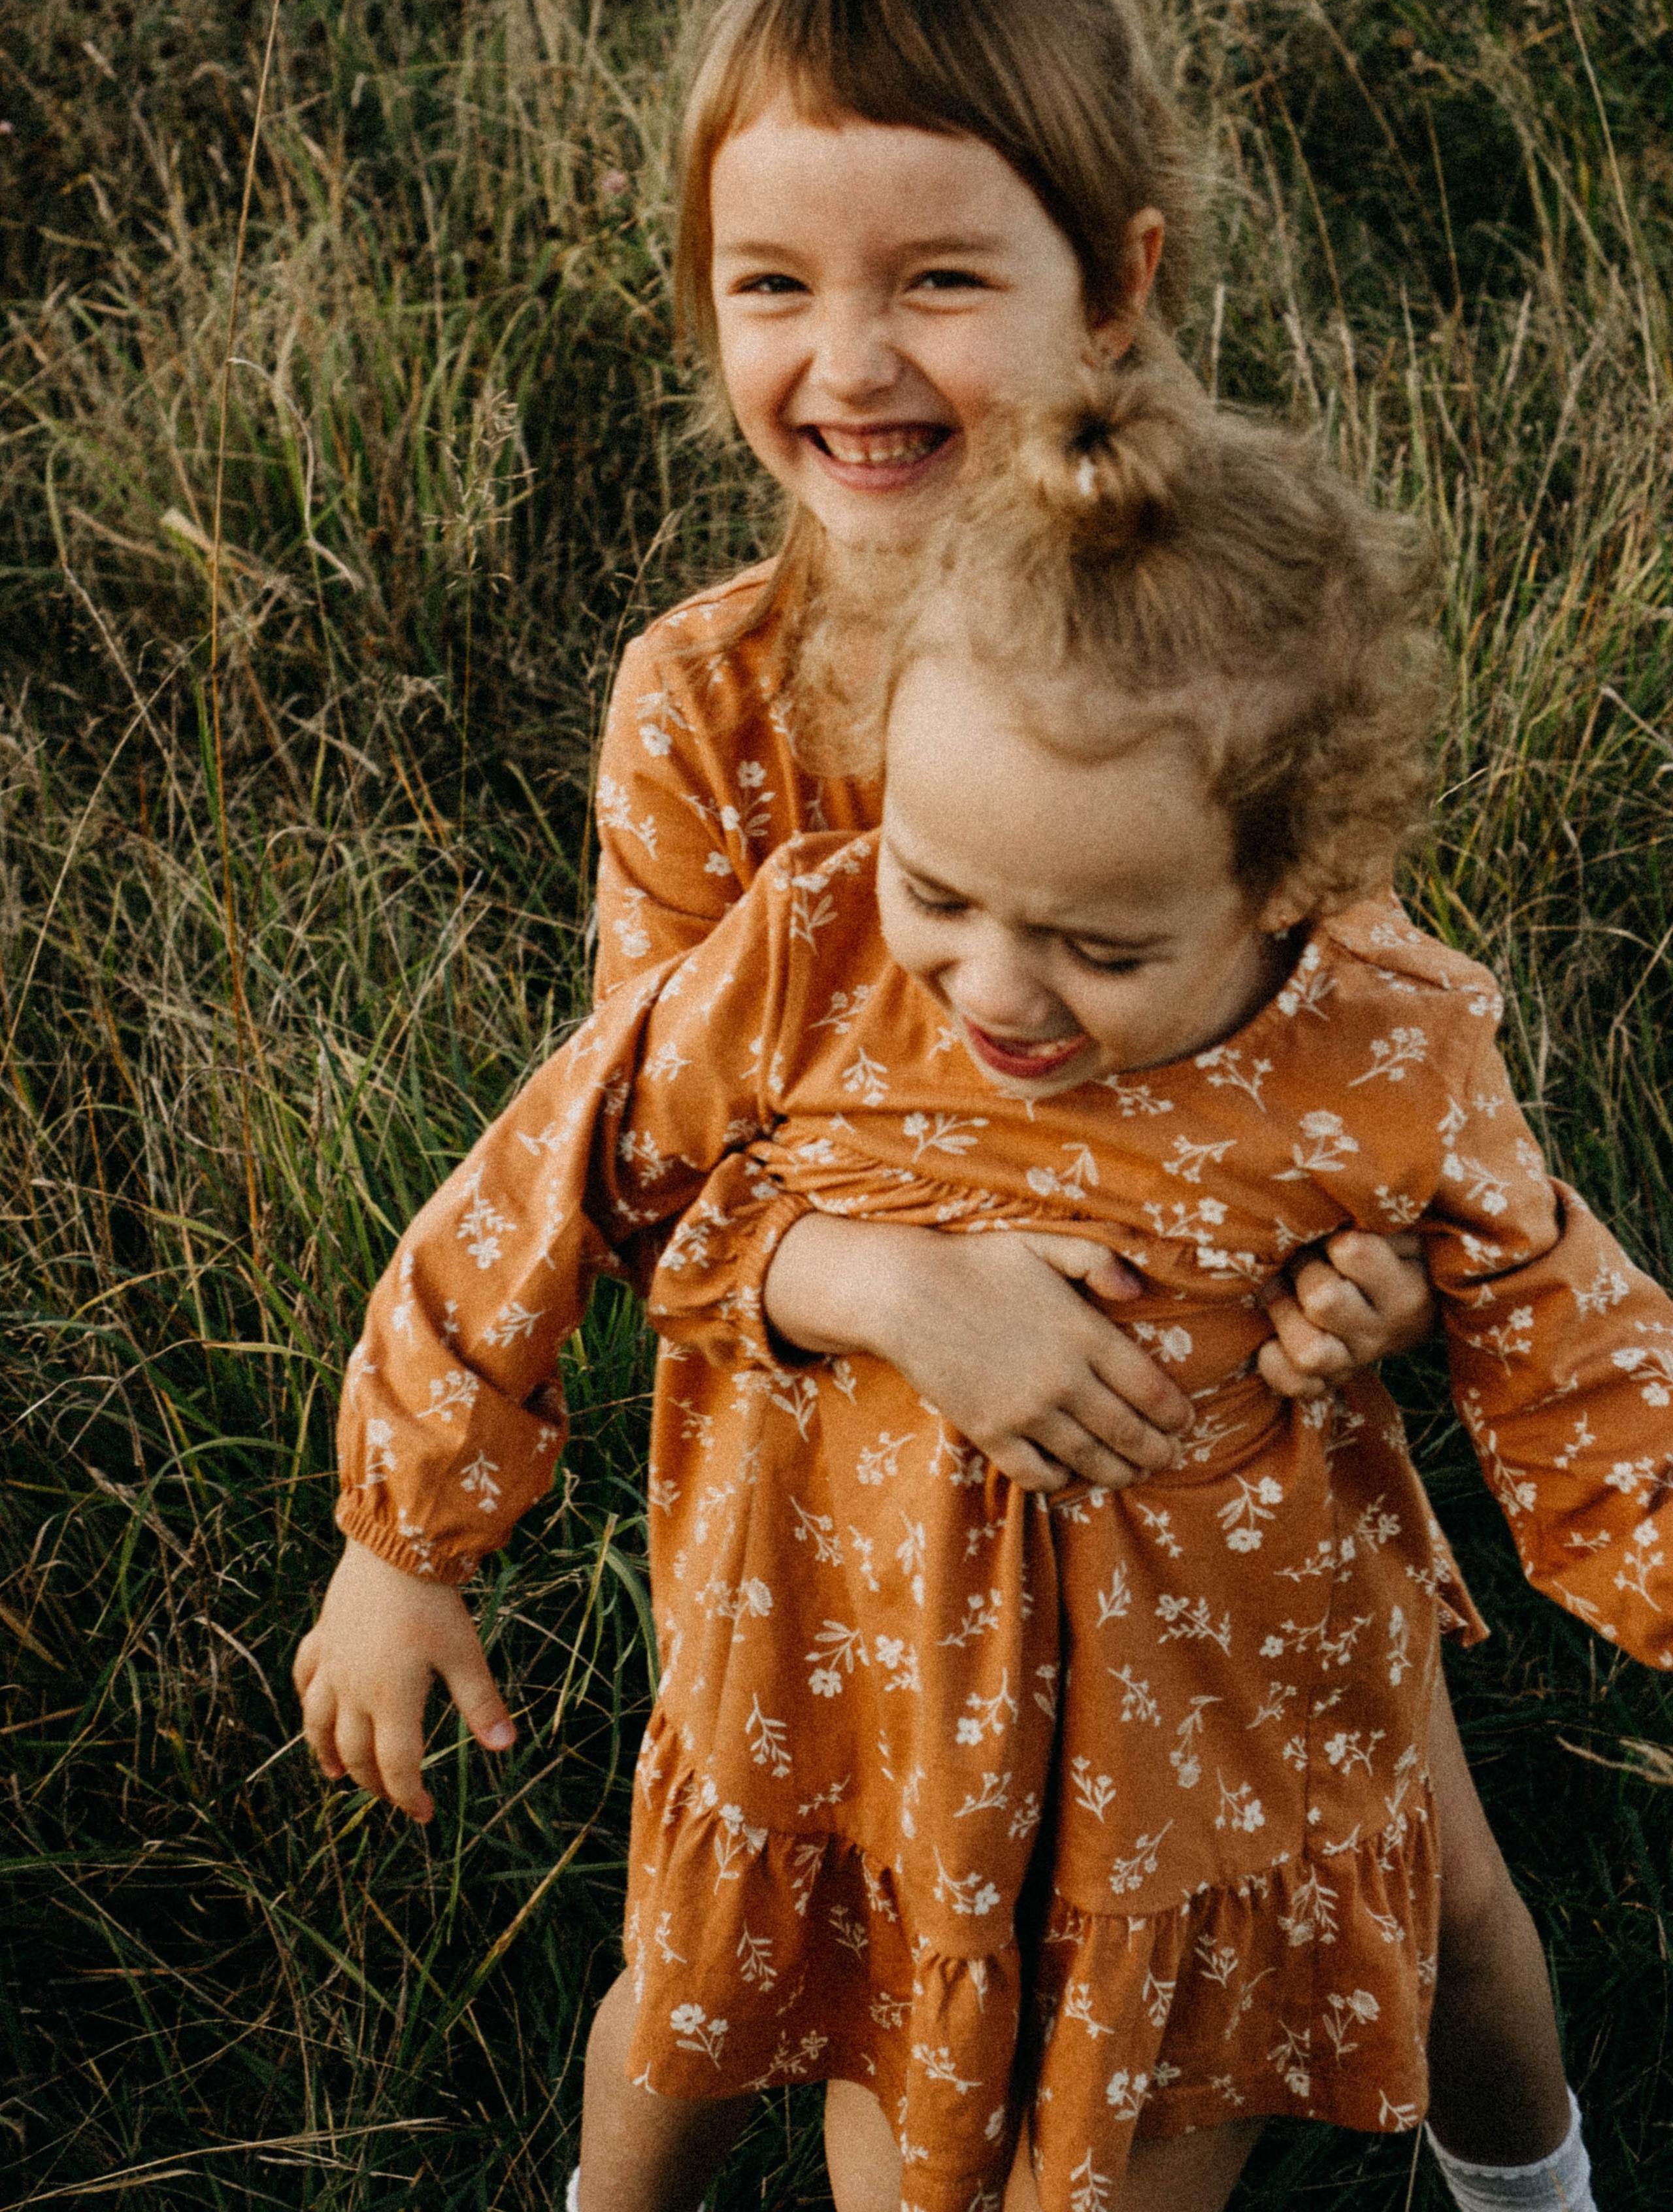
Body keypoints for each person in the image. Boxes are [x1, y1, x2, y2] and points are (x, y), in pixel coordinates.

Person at [291, 363, 1643, 2212]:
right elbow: (548, 1177)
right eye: (944, 890)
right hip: (871, 1665)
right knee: (842, 2078)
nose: (995, 987)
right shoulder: (811, 955)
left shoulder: (1381, 1057)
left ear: (1290, 886)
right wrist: (403, 1536)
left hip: (1203, 1727)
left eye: (1096, 947)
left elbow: (1583, 1351)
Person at [585, 0, 1581, 2206]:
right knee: (757, 1942)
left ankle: (1534, 2181)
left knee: (1435, 1898)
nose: (852, 359)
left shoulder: (1219, 658)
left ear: (1115, 292)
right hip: (842, 1524)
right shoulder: (706, 706)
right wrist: (896, 1285)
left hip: (1219, 1491)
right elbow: (625, 1156)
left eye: (941, 280)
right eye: (775, 285)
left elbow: (1389, 1076)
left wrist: (1400, 1283)